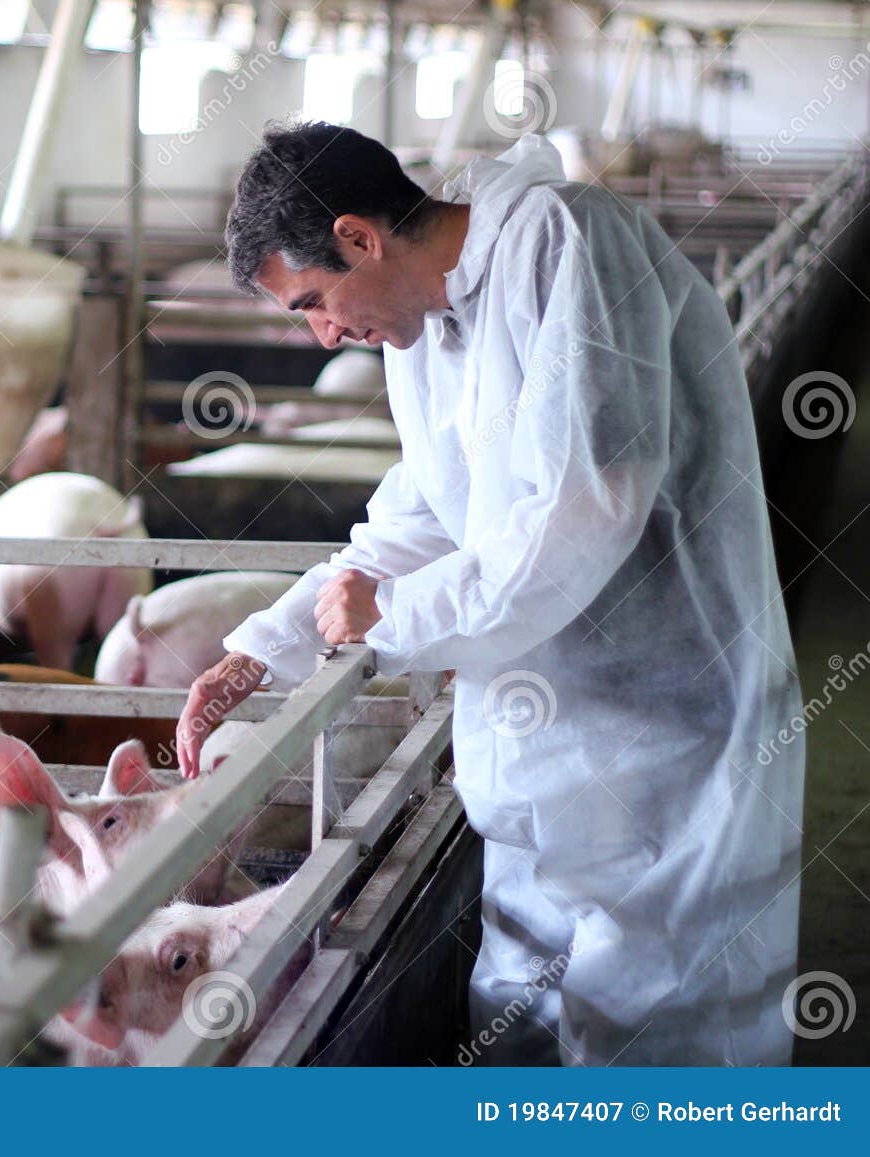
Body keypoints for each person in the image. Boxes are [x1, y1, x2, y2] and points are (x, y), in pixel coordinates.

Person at [175, 123, 805, 1066]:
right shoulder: (423, 333)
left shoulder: (566, 243)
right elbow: (428, 510)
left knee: (659, 1039)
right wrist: (266, 646)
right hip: (539, 750)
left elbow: (590, 506)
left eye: (314, 302)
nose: (324, 335)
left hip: (664, 740)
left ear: (358, 236)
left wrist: (391, 621)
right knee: (531, 1027)